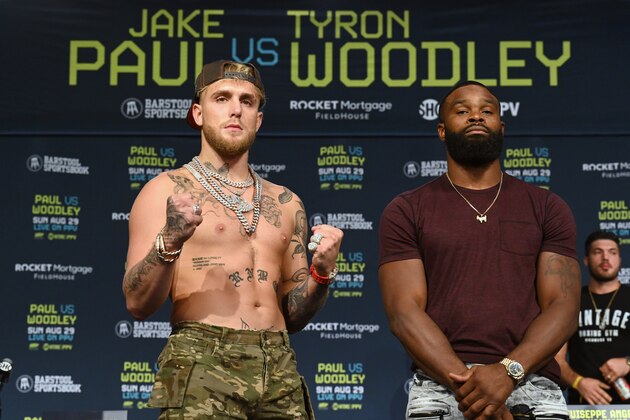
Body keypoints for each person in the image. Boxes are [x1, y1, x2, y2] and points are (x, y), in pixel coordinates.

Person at [122, 59, 343, 419]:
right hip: (201, 357)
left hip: (279, 364)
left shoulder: (286, 203)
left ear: (258, 118)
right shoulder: (164, 191)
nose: (236, 109)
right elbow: (137, 302)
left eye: (248, 101)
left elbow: (295, 315)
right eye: (222, 98)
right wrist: (170, 240)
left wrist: (321, 274)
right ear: (198, 113)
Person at [378, 80, 581, 419]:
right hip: (442, 387)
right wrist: (476, 390)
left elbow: (563, 306)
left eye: (487, 110)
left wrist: (507, 372)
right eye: (462, 111)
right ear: (442, 130)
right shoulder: (406, 210)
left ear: (501, 127)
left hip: (532, 383)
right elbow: (404, 312)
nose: (475, 116)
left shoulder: (547, 207)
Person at [555, 230, 630, 405]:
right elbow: (556, 359)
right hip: (583, 406)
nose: (605, 258)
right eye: (598, 252)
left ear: (619, 260)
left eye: (612, 252)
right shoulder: (570, 302)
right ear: (586, 260)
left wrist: (627, 362)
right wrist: (578, 382)